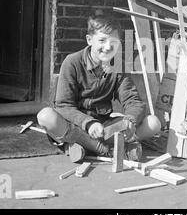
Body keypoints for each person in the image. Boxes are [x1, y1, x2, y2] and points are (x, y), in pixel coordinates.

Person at [37, 15, 161, 162]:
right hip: (75, 125)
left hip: (104, 128)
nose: (108, 47)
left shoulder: (118, 66)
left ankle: (83, 146)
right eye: (102, 40)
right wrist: (88, 123)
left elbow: (133, 101)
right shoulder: (72, 62)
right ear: (89, 40)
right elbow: (64, 106)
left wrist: (130, 121)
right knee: (45, 116)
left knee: (153, 123)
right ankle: (105, 150)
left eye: (113, 42)